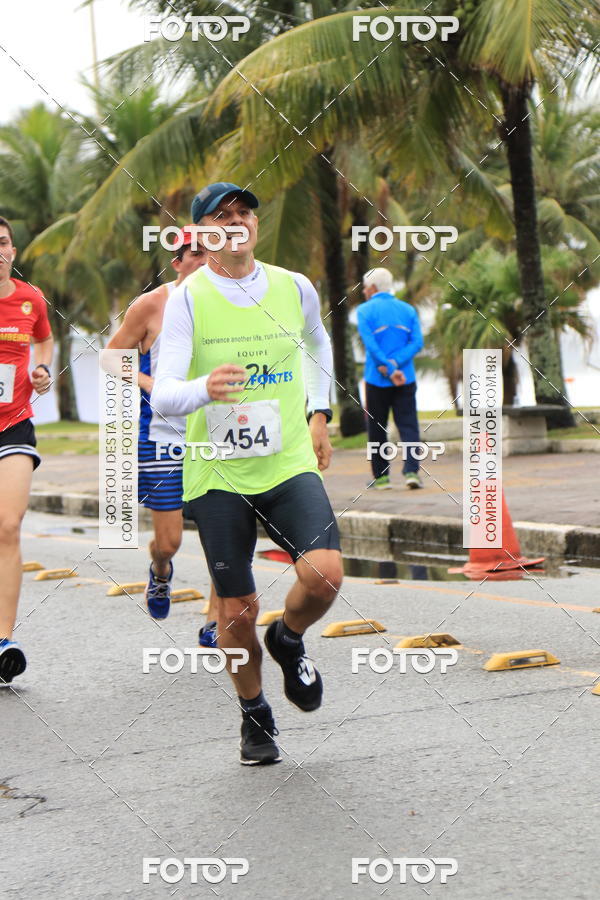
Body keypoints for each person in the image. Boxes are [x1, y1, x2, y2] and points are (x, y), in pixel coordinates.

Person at [152, 182, 343, 766]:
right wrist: (201, 389)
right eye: (220, 216)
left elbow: (317, 345)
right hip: (217, 474)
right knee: (235, 611)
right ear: (202, 234)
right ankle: (255, 713)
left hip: (285, 460)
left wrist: (319, 412)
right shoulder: (188, 299)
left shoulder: (293, 287)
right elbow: (163, 394)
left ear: (255, 225)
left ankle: (287, 638)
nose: (236, 222)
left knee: (326, 574)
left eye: (244, 213)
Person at [107, 226, 218, 637]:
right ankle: (160, 568)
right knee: (168, 541)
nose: (206, 260)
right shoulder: (152, 305)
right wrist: (145, 381)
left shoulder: (230, 301)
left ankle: (215, 621)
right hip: (163, 437)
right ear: (177, 262)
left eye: (212, 252)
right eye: (196, 254)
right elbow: (109, 358)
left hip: (216, 436)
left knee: (221, 535)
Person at [0, 216, 53, 684]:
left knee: (9, 526)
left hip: (14, 425)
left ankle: (4, 639)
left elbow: (45, 340)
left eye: (2, 243)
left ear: (13, 250)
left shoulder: (29, 297)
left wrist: (42, 371)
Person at [356, 267, 424, 490]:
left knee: (377, 427)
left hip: (377, 378)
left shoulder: (365, 311)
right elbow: (416, 343)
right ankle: (412, 472)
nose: (364, 292)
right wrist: (396, 365)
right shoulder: (408, 310)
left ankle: (382, 477)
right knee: (409, 426)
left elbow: (371, 345)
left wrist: (387, 366)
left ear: (372, 288)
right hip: (405, 378)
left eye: (365, 288)